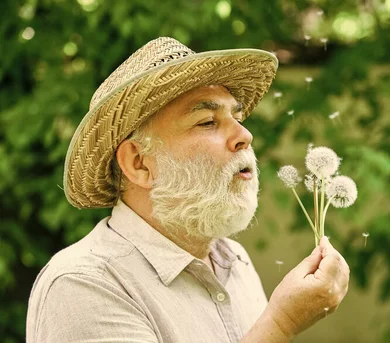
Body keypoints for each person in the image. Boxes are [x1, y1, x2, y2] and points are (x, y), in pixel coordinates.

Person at [26, 37, 350, 342]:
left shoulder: (234, 258)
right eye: (207, 121)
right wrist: (281, 324)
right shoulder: (83, 283)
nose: (244, 135)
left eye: (237, 117)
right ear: (139, 163)